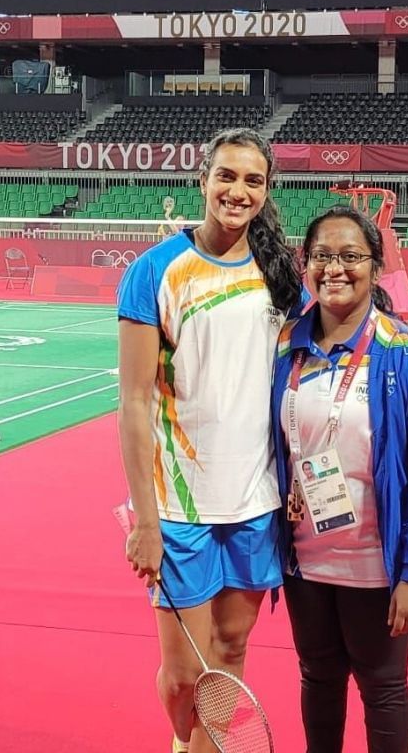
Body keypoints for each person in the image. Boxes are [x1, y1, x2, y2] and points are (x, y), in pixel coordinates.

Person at [116, 128, 302, 753]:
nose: (238, 191)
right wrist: (144, 519)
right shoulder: (156, 271)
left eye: (254, 180)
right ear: (202, 181)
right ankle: (185, 741)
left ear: (267, 191)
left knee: (231, 653)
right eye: (227, 176)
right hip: (180, 508)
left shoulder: (280, 275)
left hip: (256, 502)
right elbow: (134, 402)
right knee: (184, 676)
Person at [270, 205, 408, 753]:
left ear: (375, 267)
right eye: (322, 256)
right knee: (318, 678)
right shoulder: (287, 349)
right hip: (305, 561)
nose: (336, 268)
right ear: (305, 265)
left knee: (383, 688)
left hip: (377, 566)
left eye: (351, 256)